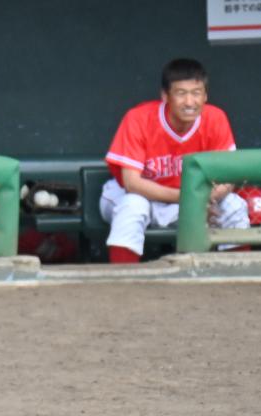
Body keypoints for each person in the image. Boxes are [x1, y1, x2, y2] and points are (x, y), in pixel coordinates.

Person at [100, 57, 249, 263]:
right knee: (132, 206)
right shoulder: (138, 118)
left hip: (190, 201)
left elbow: (228, 177)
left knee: (233, 205)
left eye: (196, 93)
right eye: (181, 93)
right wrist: (191, 201)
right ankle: (123, 278)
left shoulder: (215, 118)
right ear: (165, 96)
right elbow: (132, 183)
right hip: (139, 196)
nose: (189, 102)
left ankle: (238, 274)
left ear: (205, 96)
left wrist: (204, 200)